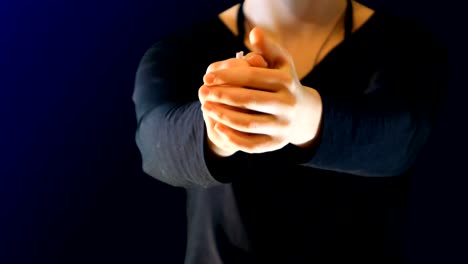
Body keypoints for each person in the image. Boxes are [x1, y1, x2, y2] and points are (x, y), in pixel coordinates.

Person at [132, 0, 448, 263]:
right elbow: (155, 144)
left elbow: (400, 138)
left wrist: (303, 116)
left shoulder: (406, 47)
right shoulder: (176, 53)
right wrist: (219, 123)